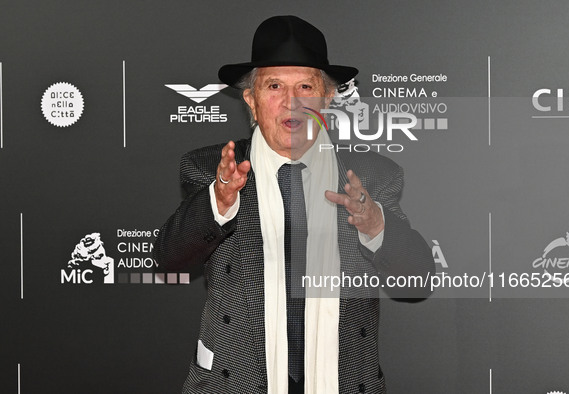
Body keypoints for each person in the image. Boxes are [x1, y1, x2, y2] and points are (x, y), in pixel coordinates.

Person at [154, 15, 435, 394]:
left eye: (306, 85)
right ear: (251, 102)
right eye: (274, 86)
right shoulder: (211, 168)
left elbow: (418, 279)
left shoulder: (370, 174)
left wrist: (375, 224)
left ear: (327, 97)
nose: (292, 101)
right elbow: (169, 258)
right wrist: (218, 201)